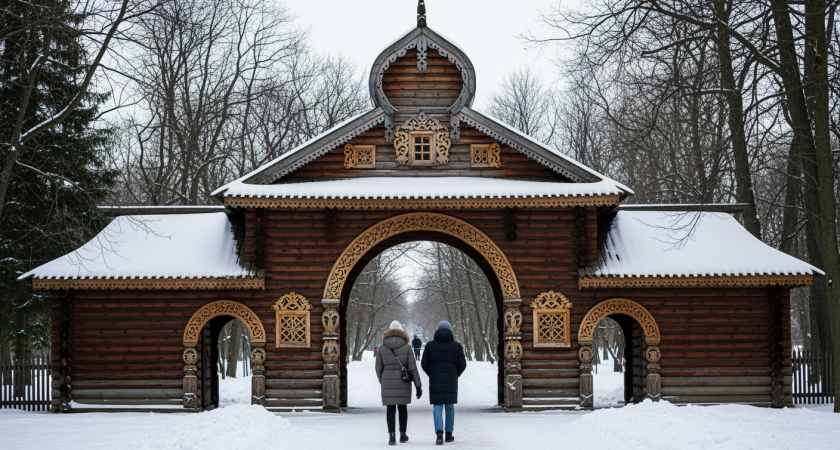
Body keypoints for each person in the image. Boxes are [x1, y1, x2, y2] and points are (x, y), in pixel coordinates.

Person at [376, 320, 422, 445]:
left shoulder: (382, 347)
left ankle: (392, 436)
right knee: (403, 408)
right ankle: (402, 434)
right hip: (403, 381)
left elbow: (378, 368)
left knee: (390, 409)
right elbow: (413, 368)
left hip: (387, 381)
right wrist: (418, 385)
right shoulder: (407, 347)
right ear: (401, 331)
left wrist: (383, 381)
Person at [420, 320, 466, 445]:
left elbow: (424, 364)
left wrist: (432, 374)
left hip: (436, 380)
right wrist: (454, 374)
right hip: (451, 381)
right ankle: (449, 434)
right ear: (450, 331)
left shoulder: (430, 346)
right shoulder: (456, 346)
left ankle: (439, 434)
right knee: (450, 407)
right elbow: (462, 364)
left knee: (437, 406)